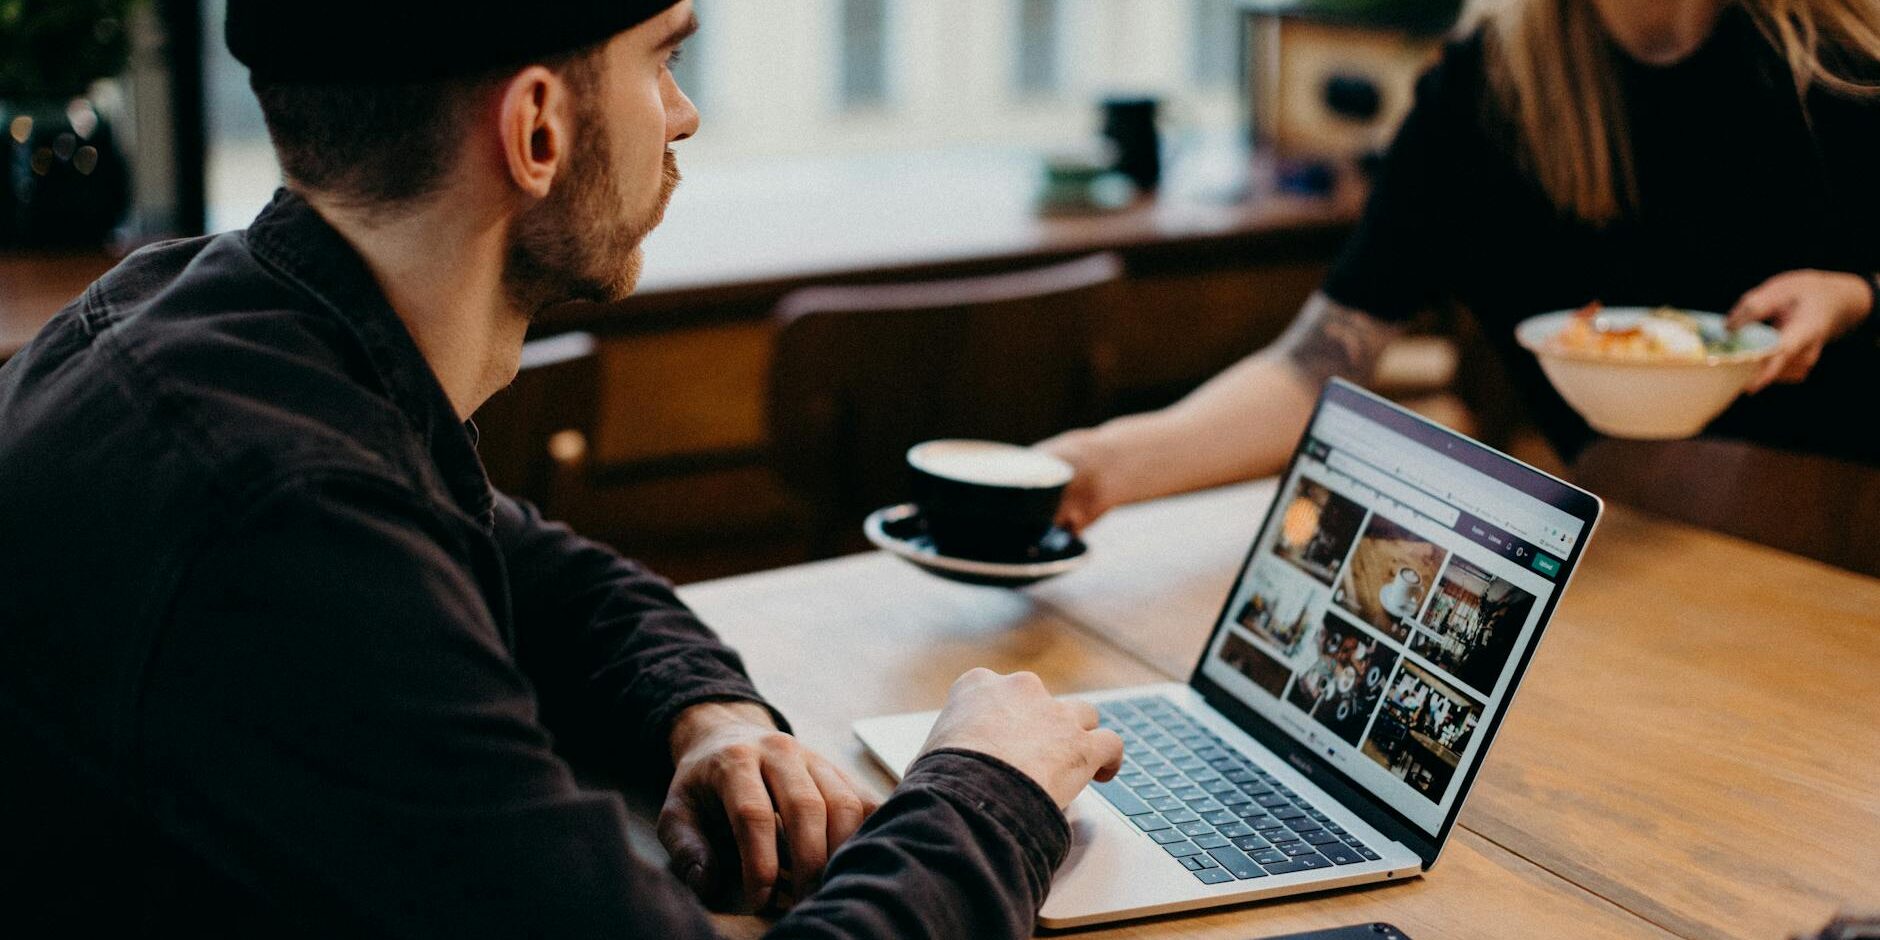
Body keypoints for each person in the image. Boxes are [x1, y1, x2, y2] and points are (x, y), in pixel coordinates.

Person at [0, 2, 1125, 936]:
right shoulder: (289, 528)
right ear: (537, 128)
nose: (682, 117)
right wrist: (990, 789)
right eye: (664, 60)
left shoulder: (206, 316)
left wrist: (712, 717)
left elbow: (565, 582)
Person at [1042, 0, 1880, 532]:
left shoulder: (1845, 58)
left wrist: (1857, 296)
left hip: (1847, 551)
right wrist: (1108, 465)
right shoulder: (1484, 95)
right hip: (1636, 546)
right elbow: (1318, 366)